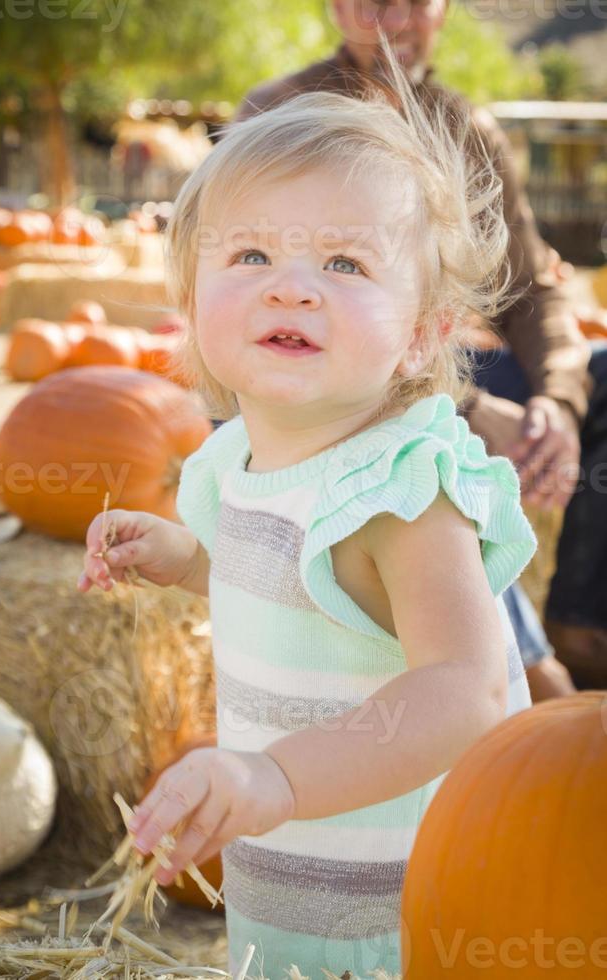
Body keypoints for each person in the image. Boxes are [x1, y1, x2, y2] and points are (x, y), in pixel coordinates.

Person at [78, 47, 537, 978]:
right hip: (282, 895)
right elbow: (288, 577)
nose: (292, 286)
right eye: (251, 255)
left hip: (405, 920)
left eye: (343, 261)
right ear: (192, 299)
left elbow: (467, 685)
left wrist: (274, 777)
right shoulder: (233, 457)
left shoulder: (404, 489)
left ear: (423, 330)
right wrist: (182, 553)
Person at [232, 0, 606, 693]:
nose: (395, 21)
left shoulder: (467, 127)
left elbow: (529, 287)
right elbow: (311, 321)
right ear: (335, 8)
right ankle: (522, 667)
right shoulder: (284, 115)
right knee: (417, 457)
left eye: (415, 2)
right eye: (372, 2)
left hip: (431, 363)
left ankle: (583, 626)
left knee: (602, 375)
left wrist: (557, 403)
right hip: (326, 386)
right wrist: (465, 407)